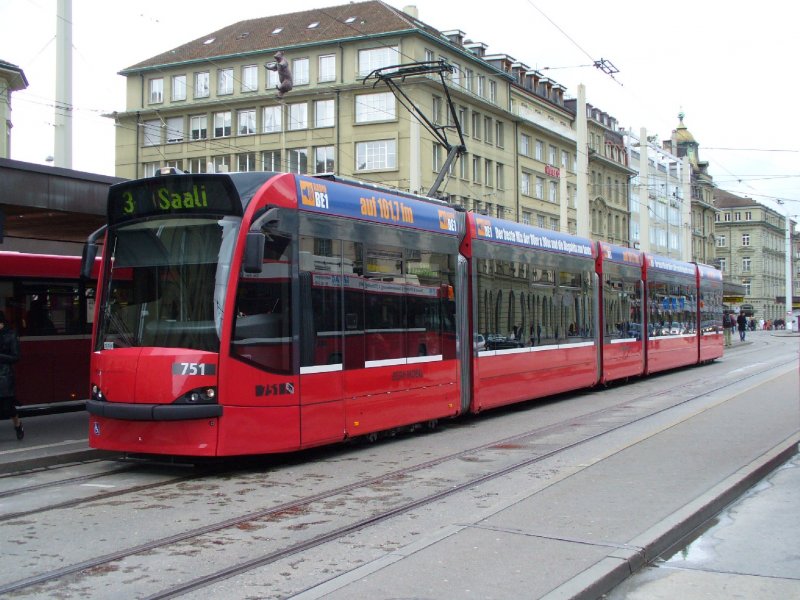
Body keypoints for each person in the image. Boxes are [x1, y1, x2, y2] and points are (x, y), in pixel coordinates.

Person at [0, 311, 23, 440]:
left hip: (5, 376)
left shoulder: (11, 335)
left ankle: (18, 424)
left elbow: (15, 357)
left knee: (8, 407)